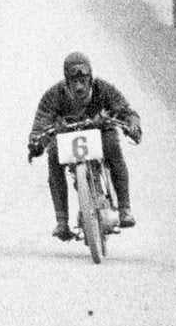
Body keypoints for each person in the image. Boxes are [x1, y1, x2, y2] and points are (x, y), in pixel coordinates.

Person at [26, 52, 142, 241]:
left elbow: (126, 111)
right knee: (53, 154)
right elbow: (41, 122)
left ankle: (125, 209)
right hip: (67, 138)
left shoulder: (104, 89)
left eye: (83, 79)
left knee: (113, 147)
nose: (79, 85)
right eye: (74, 81)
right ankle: (62, 221)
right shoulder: (54, 95)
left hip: (101, 133)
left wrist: (132, 125)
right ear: (67, 81)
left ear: (90, 78)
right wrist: (36, 142)